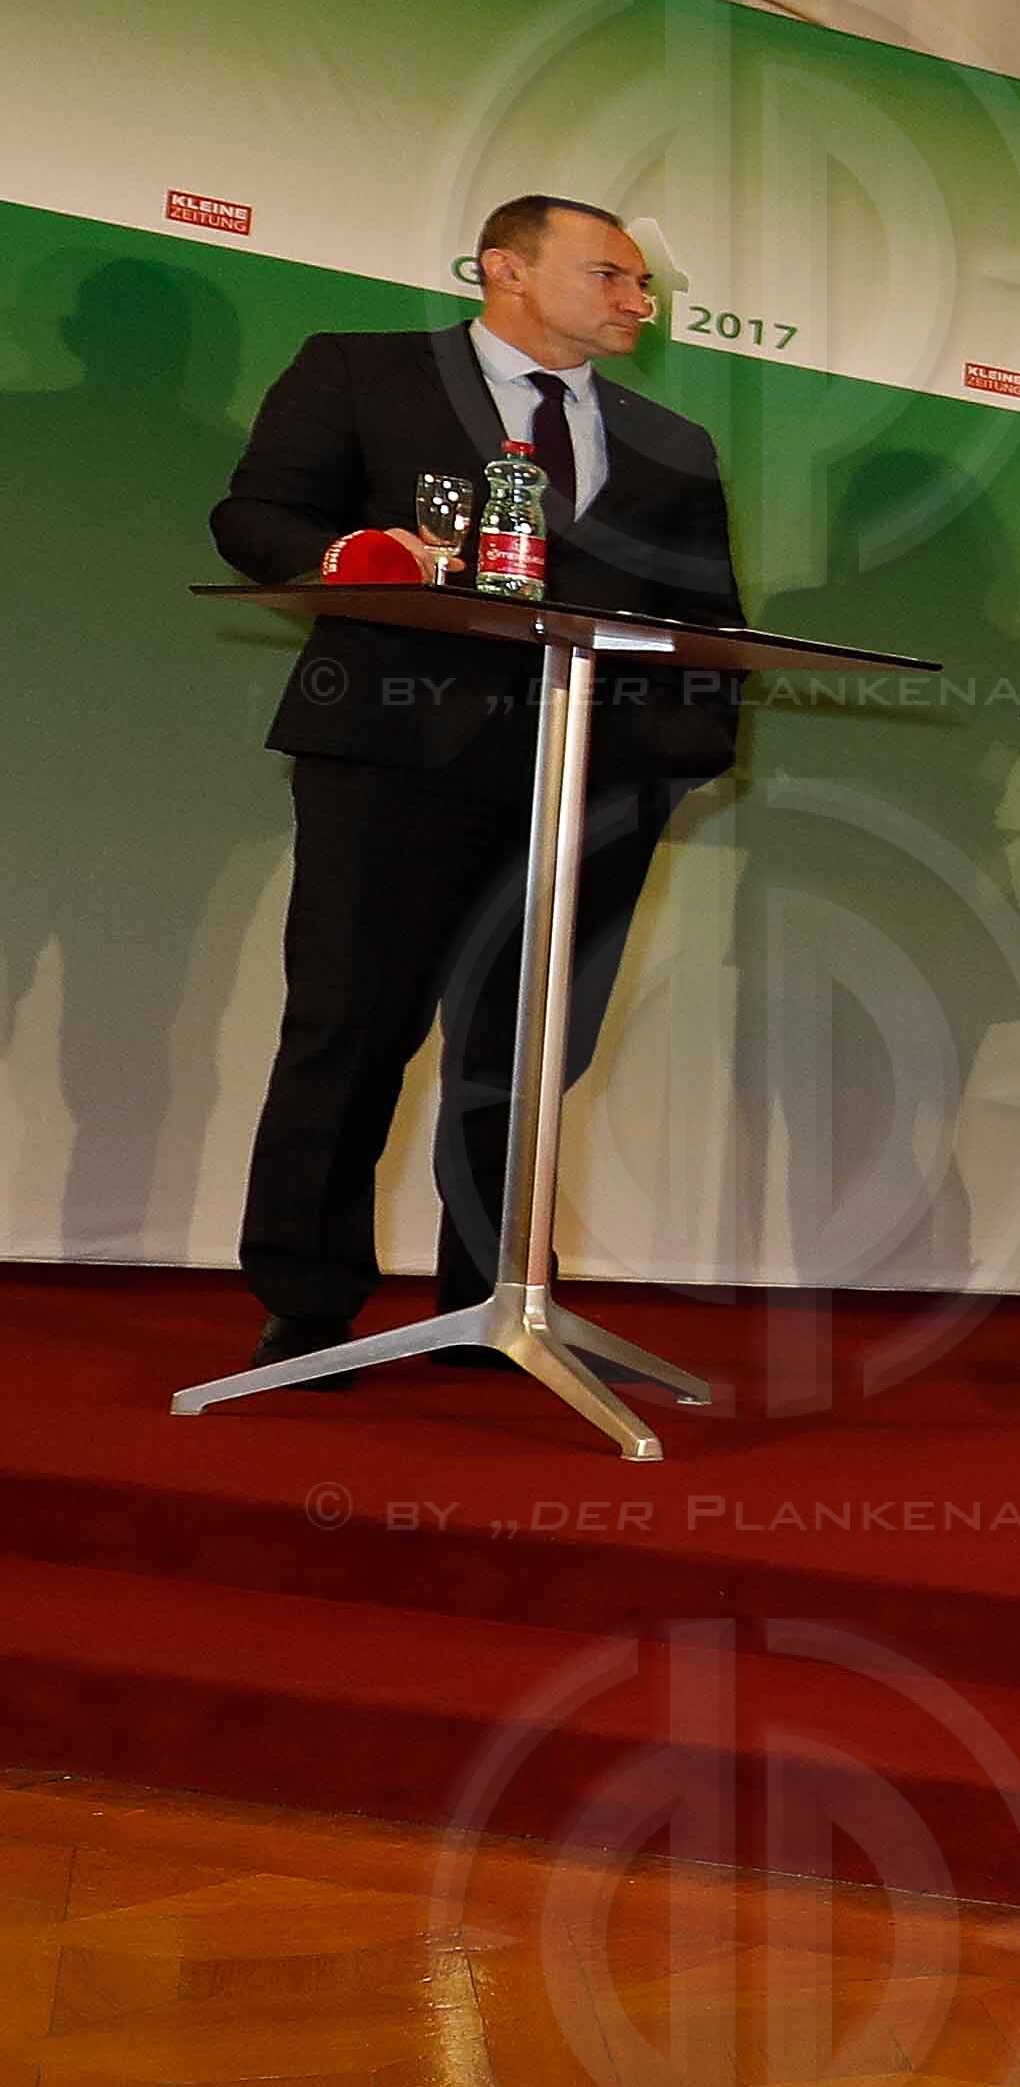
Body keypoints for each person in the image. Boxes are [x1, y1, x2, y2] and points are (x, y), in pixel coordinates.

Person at [209, 195, 743, 1365]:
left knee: (535, 1046)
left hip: (595, 777)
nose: (637, 301)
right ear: (504, 266)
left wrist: (686, 749)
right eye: (610, 275)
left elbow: (709, 622)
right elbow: (255, 514)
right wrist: (352, 559)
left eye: (641, 284)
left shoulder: (675, 443)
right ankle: (305, 1301)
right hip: (396, 759)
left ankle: (497, 1301)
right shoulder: (363, 372)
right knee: (351, 1023)